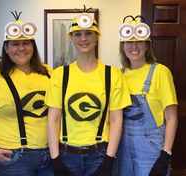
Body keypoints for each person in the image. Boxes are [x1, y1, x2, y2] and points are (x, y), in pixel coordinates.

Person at [45, 10, 131, 176]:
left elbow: (116, 120)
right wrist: (55, 158)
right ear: (71, 38)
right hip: (66, 155)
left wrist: (109, 159)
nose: (83, 39)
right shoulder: (60, 75)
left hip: (100, 155)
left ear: (96, 37)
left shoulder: (112, 75)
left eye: (88, 34)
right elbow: (53, 119)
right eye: (78, 34)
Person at [0, 11, 54, 176]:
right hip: (13, 158)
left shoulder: (48, 73)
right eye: (15, 44)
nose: (22, 48)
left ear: (33, 46)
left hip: (50, 155)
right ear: (6, 48)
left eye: (26, 43)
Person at [116, 15, 178, 176]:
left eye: (139, 41)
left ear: (147, 45)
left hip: (151, 147)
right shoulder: (118, 74)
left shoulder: (160, 72)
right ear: (123, 46)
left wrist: (166, 153)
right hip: (122, 147)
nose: (134, 46)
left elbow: (172, 118)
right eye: (129, 41)